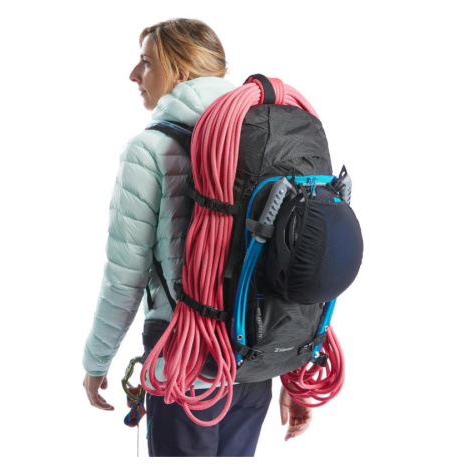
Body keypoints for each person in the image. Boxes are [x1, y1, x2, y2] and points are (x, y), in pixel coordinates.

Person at [82, 18, 312, 457]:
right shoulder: (265, 139)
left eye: (146, 63)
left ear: (179, 70)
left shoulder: (149, 150)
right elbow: (296, 261)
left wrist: (97, 361)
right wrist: (294, 371)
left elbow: (125, 276)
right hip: (253, 361)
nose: (134, 75)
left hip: (184, 362)